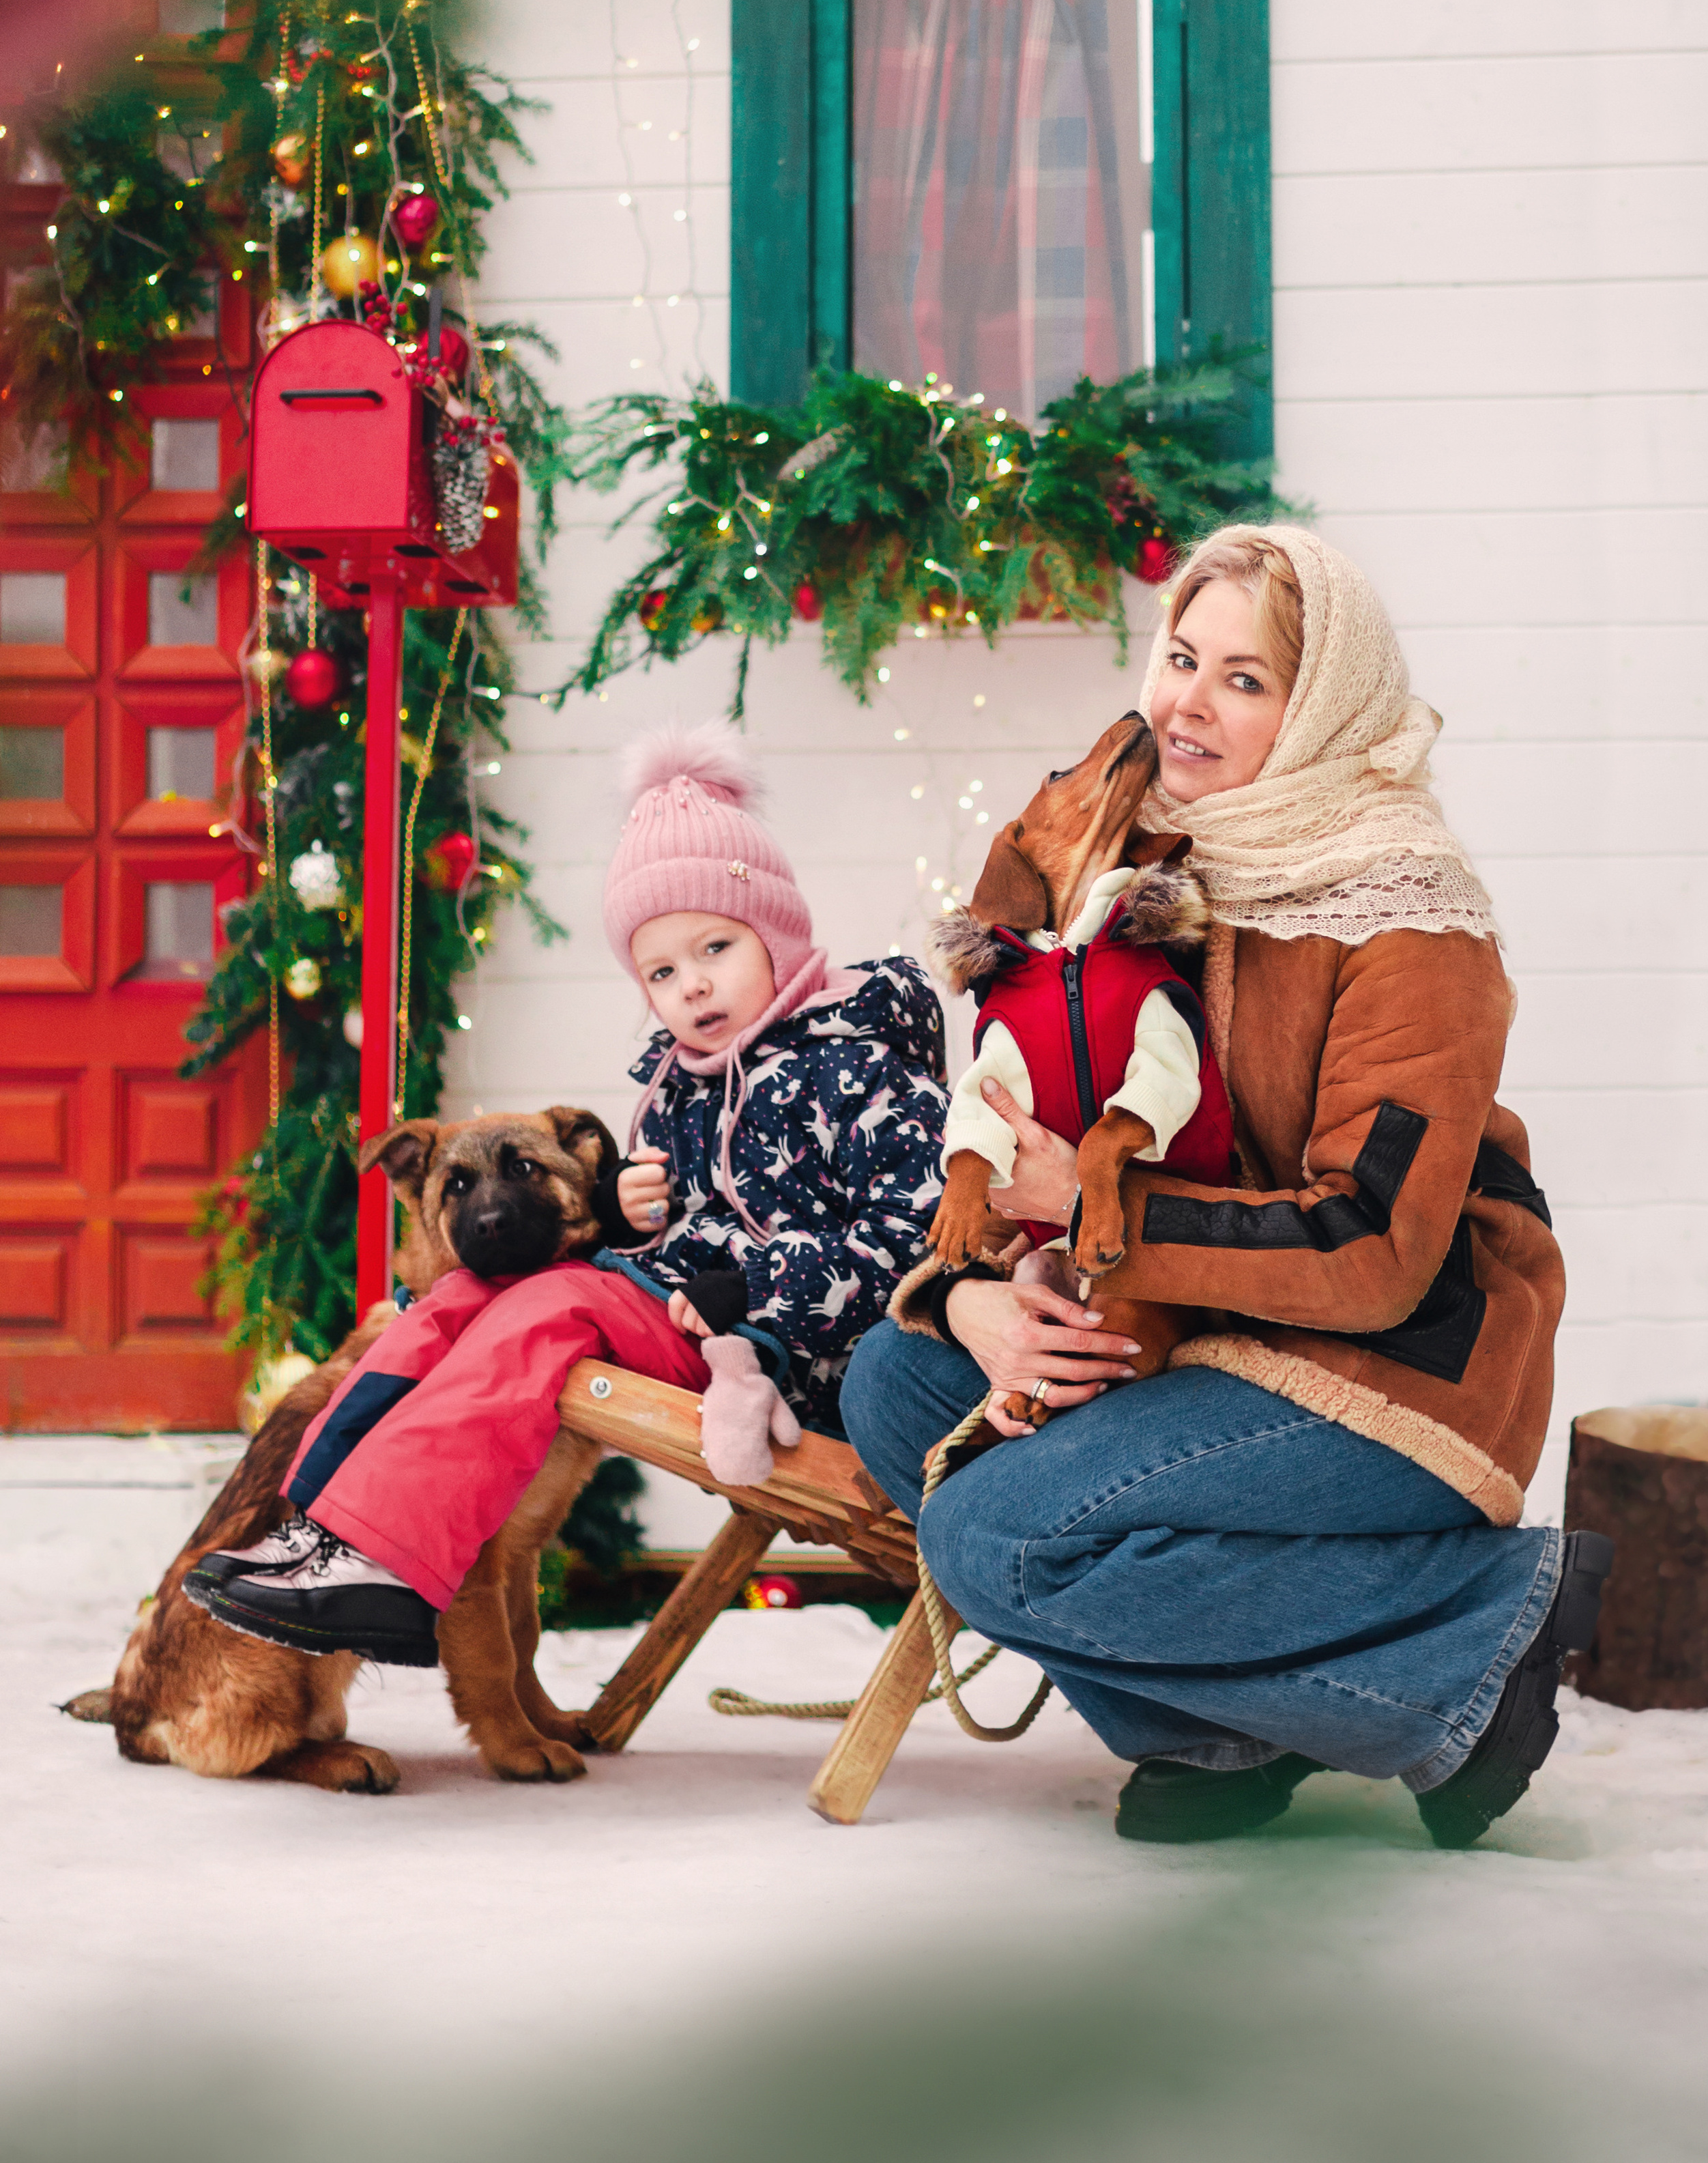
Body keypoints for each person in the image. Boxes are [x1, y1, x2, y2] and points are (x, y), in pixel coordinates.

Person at [842, 525, 1610, 1851]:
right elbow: (1023, 1113)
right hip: (1201, 1328)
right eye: (1181, 658)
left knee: (999, 1537)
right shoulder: (1145, 864)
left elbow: (1371, 1250)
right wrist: (978, 1297)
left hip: (1392, 1370)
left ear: (1320, 711)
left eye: (1244, 680)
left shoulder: (1409, 917)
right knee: (893, 1382)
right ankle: (1213, 1735)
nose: (1187, 702)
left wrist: (1097, 1220)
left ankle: (1476, 1639)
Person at [191, 726, 950, 1665]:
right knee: (451, 1302)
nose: (692, 986)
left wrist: (751, 1282)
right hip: (686, 1315)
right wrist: (637, 1218)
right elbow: (689, 1226)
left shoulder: (861, 1068)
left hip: (796, 1360)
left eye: (716, 947)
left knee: (544, 1305)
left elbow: (918, 1245)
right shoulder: (679, 1084)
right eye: (661, 972)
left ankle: (386, 1561)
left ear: (777, 934)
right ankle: (321, 1525)